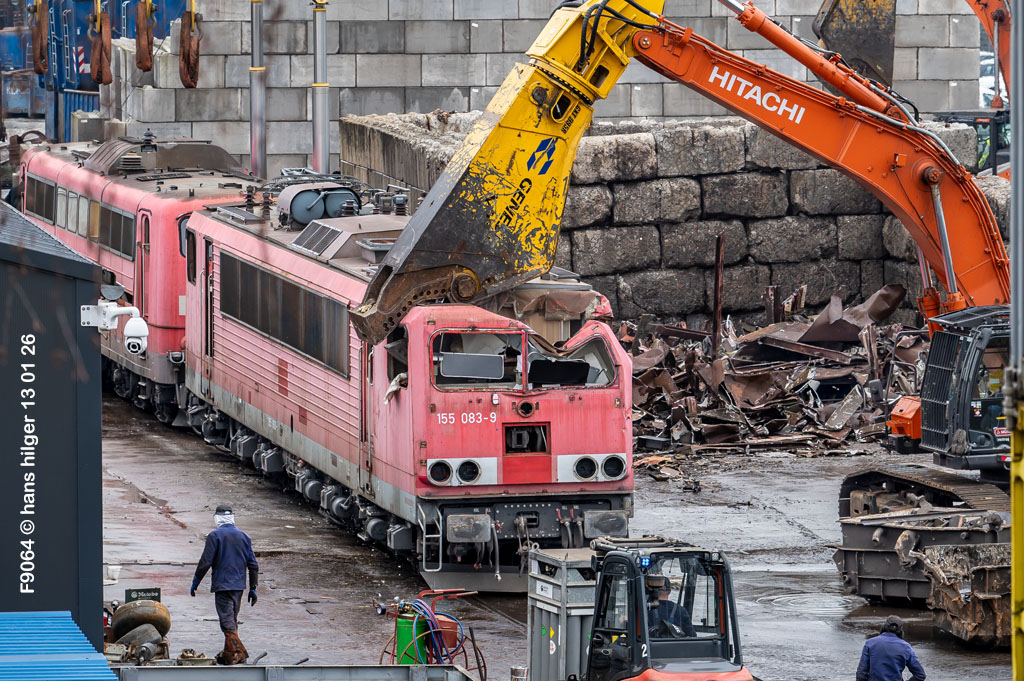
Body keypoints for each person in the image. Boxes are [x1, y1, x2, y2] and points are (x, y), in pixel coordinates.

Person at [191, 504, 259, 665]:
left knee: (226, 622)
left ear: (217, 518)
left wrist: (195, 581)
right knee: (231, 620)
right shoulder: (244, 537)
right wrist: (253, 587)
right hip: (239, 586)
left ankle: (240, 652)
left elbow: (205, 562)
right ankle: (229, 654)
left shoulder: (215, 536)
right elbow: (253, 565)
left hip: (222, 585)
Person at [856, 616, 926, 681]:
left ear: (884, 627)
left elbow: (861, 674)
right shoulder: (906, 647)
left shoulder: (870, 643)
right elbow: (920, 675)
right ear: (901, 631)